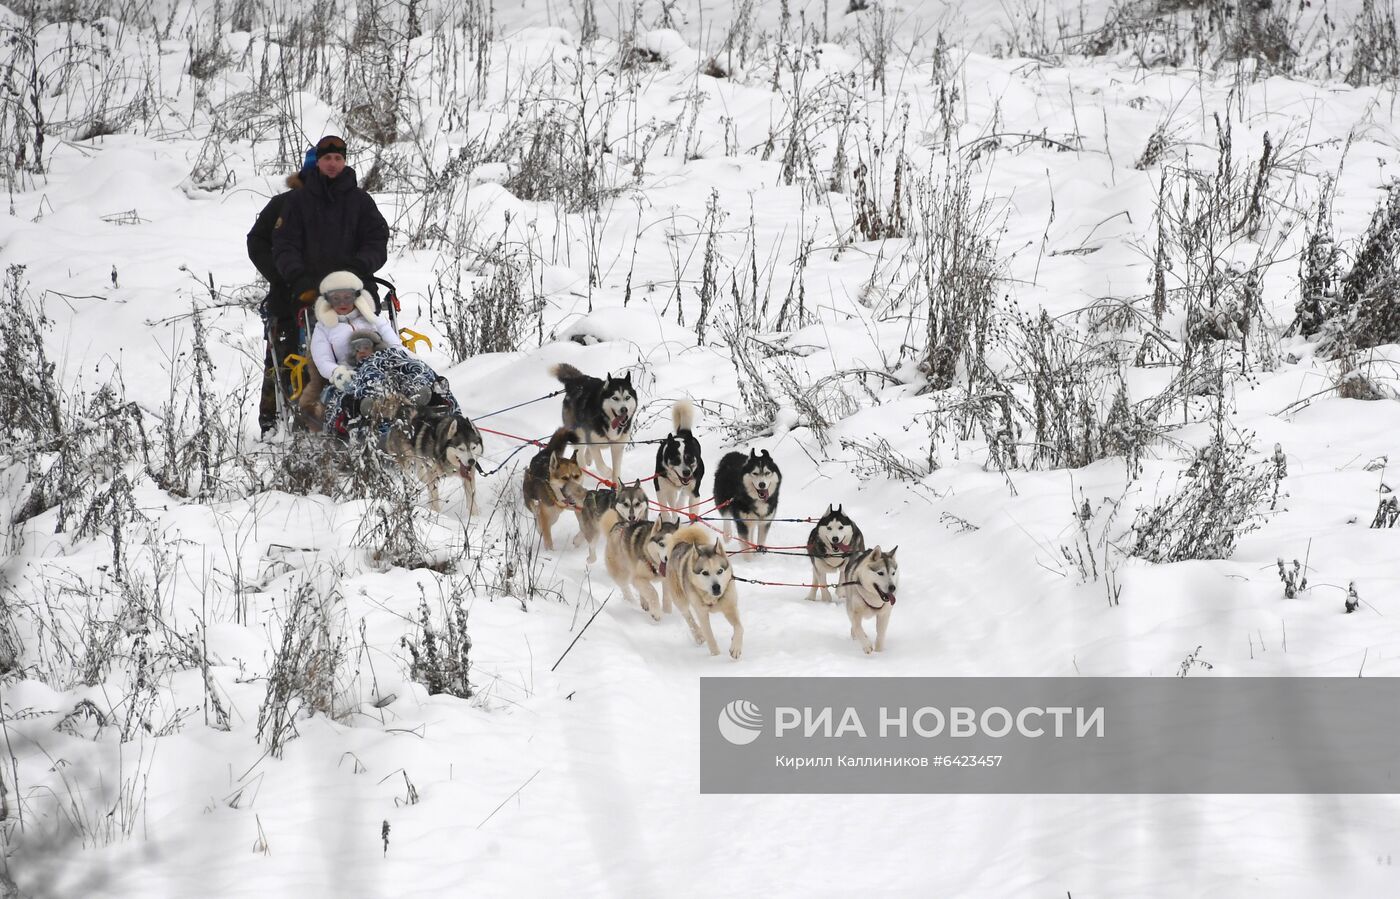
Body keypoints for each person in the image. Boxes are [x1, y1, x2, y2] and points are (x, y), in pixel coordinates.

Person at [272, 134, 390, 426]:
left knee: (373, 335)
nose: (333, 163)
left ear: (345, 160)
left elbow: (377, 239)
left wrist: (361, 266)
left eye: (338, 158)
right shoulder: (297, 201)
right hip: (312, 290)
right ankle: (320, 406)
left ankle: (384, 390)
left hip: (357, 286)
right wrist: (298, 277)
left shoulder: (361, 201)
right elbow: (284, 244)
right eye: (327, 158)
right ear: (318, 162)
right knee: (318, 347)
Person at [247, 148, 316, 437]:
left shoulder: (340, 204)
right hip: (286, 295)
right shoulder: (283, 204)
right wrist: (280, 275)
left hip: (329, 294)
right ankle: (271, 421)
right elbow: (256, 242)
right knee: (279, 355)